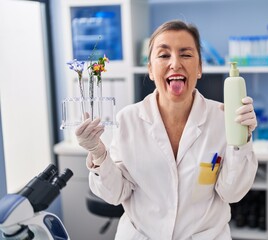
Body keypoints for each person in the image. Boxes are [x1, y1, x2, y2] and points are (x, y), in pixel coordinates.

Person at [75, 19, 258, 240]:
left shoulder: (222, 119)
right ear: (151, 70)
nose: (175, 63)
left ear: (199, 68)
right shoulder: (129, 120)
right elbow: (116, 194)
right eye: (164, 55)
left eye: (186, 54)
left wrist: (242, 139)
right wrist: (98, 153)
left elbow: (232, 193)